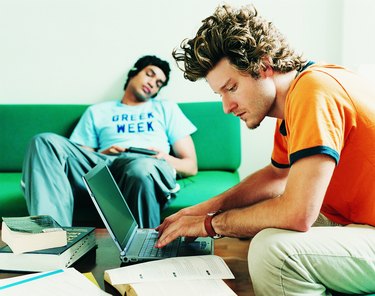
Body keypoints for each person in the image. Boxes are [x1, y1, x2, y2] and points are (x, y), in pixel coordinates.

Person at [156, 4, 375, 295]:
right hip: (357, 219)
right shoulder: (299, 96)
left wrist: (210, 225)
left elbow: (298, 213)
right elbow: (275, 176)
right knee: (267, 229)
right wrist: (197, 211)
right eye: (220, 93)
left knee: (273, 254)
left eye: (231, 88)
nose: (226, 107)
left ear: (263, 65)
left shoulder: (314, 91)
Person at [22, 55, 198, 229]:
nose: (153, 83)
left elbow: (190, 165)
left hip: (148, 164)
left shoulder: (165, 108)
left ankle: (143, 252)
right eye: (150, 74)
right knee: (43, 141)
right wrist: (103, 154)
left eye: (159, 83)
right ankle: (51, 241)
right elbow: (78, 160)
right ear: (133, 73)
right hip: (105, 164)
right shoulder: (97, 111)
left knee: (140, 169)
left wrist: (162, 157)